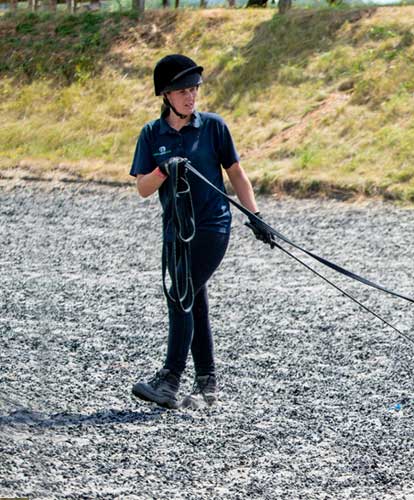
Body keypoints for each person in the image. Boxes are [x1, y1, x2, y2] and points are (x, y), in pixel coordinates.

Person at [128, 54, 277, 409]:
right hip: (176, 232)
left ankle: (170, 378)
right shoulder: (152, 134)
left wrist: (256, 216)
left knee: (181, 294)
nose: (190, 96)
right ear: (166, 95)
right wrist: (164, 170)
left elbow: (237, 175)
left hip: (212, 226)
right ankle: (207, 384)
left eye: (194, 89)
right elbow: (143, 188)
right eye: (182, 90)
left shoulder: (213, 127)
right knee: (192, 298)